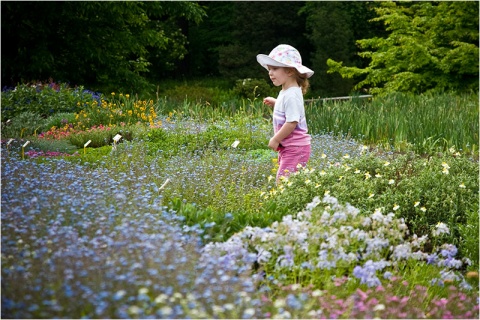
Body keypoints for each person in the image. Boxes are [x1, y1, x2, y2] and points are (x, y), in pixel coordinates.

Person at [256, 44, 314, 184]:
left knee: (283, 182)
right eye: (269, 69)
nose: (270, 73)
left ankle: (290, 205)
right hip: (290, 147)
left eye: (275, 69)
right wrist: (277, 103)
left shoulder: (291, 95)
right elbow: (291, 110)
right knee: (288, 181)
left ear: (289, 71)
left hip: (295, 148)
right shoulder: (286, 92)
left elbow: (292, 122)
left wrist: (276, 139)